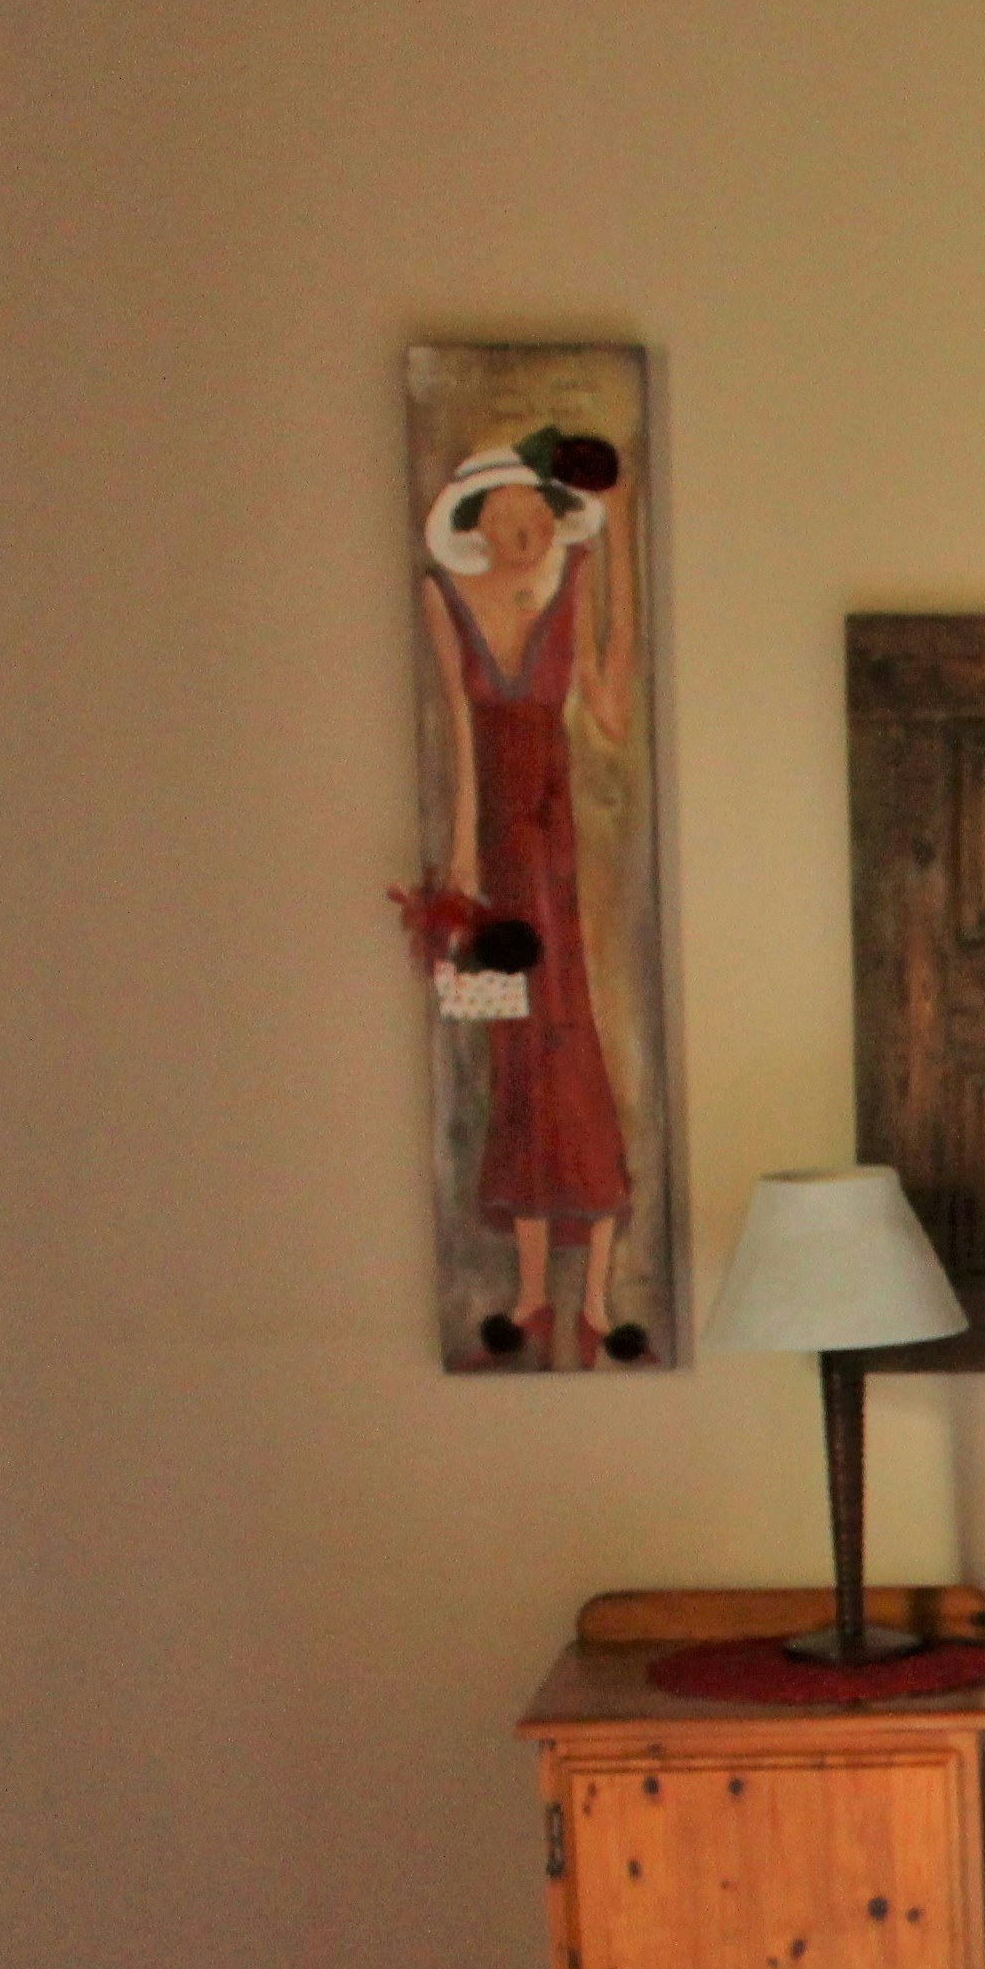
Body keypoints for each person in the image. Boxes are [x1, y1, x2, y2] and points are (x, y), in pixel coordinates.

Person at [421, 427, 646, 1366]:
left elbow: (609, 710)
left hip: (553, 835)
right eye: (511, 516)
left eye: (540, 516)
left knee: (568, 1029)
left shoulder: (575, 578)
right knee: (514, 1049)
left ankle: (592, 1297)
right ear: (478, 521)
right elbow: (460, 730)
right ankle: (530, 1296)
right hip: (498, 845)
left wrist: (620, 540)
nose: (528, 532)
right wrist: (461, 861)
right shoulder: (444, 596)